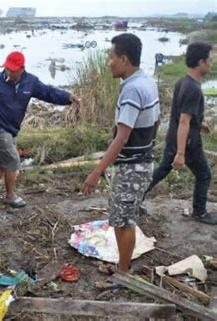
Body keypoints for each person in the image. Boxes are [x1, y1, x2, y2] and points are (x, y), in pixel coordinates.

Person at [82, 33, 160, 289]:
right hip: (142, 161)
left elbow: (122, 137)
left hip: (132, 166)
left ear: (124, 60)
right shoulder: (146, 81)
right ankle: (123, 265)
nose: (108, 62)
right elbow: (154, 123)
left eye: (111, 57)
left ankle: (124, 274)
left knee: (123, 221)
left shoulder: (133, 89)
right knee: (124, 217)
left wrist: (96, 172)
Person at [0, 51, 78, 207]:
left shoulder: (30, 82)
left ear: (22, 68)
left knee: (4, 161)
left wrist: (67, 97)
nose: (9, 72)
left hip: (13, 127)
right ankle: (10, 195)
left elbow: (48, 92)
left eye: (13, 69)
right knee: (13, 160)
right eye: (7, 68)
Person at [144, 42, 216, 225]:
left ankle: (134, 199)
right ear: (201, 62)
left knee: (161, 171)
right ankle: (199, 212)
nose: (211, 63)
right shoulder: (193, 88)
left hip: (174, 136)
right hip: (188, 143)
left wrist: (200, 124)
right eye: (209, 60)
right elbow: (184, 120)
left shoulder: (182, 82)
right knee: (204, 175)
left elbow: (183, 116)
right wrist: (181, 153)